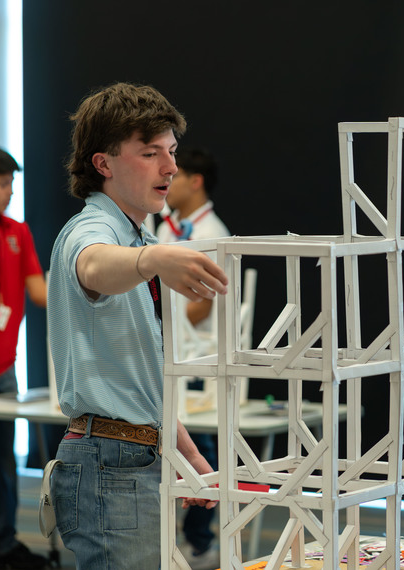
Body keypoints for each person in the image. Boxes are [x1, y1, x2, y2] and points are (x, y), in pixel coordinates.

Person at [47, 82, 228, 569]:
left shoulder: (136, 237)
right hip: (111, 464)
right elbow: (92, 264)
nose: (170, 167)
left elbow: (140, 383)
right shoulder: (94, 230)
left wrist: (188, 453)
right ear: (103, 163)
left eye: (171, 152)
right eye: (150, 153)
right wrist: (152, 259)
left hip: (133, 458)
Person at [156, 147, 229, 569]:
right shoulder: (165, 228)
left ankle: (200, 542)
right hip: (168, 349)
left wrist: (159, 315)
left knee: (200, 445)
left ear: (196, 181)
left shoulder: (212, 232)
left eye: (177, 173)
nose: (168, 179)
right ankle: (169, 536)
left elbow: (202, 305)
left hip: (199, 358)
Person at [0, 147, 49, 569]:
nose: (9, 192)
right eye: (1, 183)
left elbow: (40, 292)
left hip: (4, 370)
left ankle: (3, 542)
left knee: (2, 463)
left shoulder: (18, 232)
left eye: (11, 183)